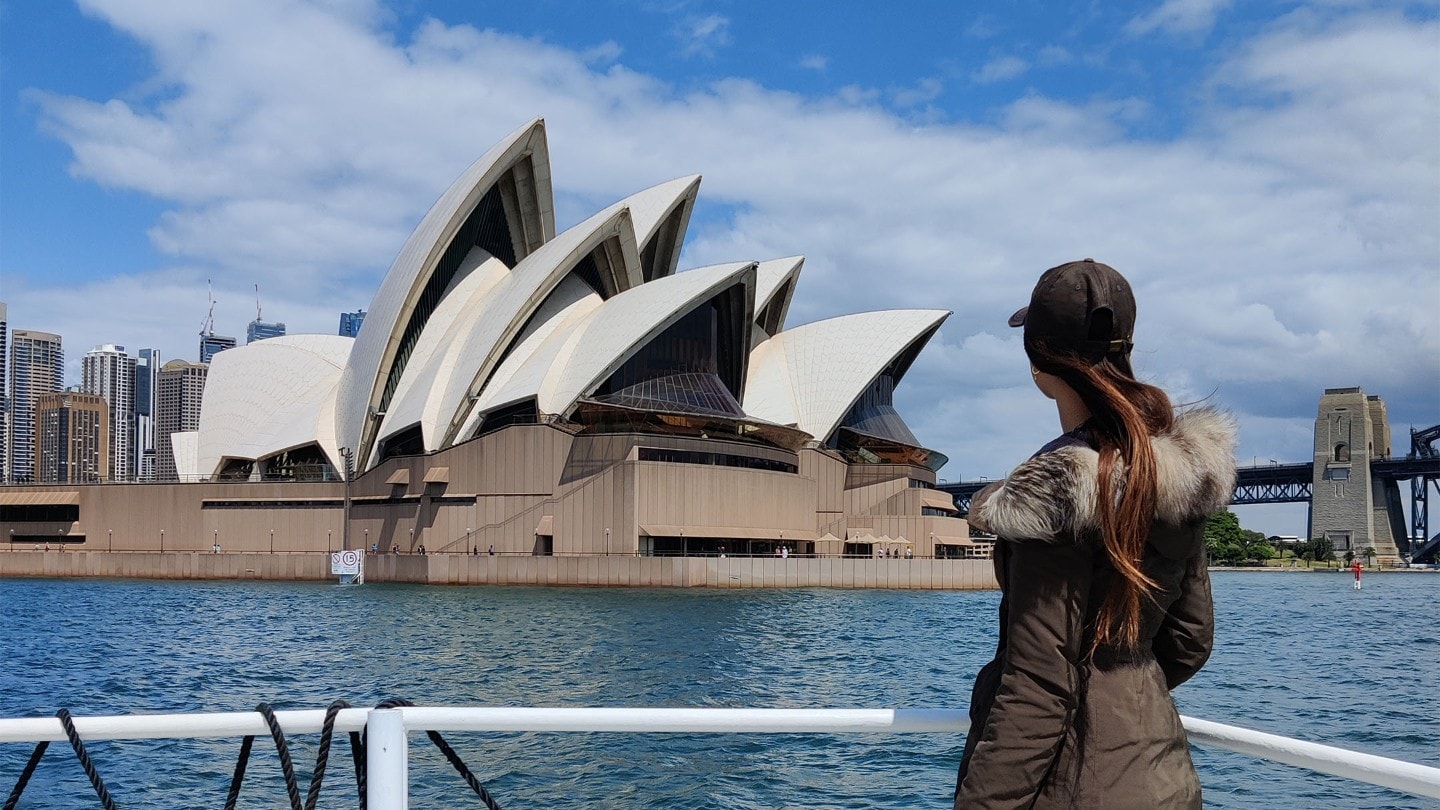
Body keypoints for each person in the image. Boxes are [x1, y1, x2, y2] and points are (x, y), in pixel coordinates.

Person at [954, 260, 1236, 809]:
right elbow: (1190, 640)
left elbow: (1038, 688)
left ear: (1039, 363)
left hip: (1078, 791)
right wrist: (1122, 698)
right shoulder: (1175, 474)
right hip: (1163, 783)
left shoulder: (1052, 496)